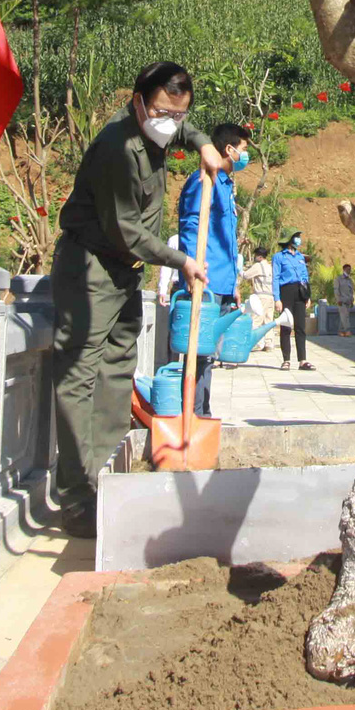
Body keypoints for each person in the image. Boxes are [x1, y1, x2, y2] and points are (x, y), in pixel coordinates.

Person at [51, 61, 227, 537]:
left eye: (178, 114)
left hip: (124, 273)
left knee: (117, 367)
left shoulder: (163, 126)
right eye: (161, 112)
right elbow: (126, 231)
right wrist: (181, 262)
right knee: (79, 375)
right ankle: (76, 497)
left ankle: (103, 469)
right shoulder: (117, 148)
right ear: (137, 103)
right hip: (91, 268)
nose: (169, 122)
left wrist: (203, 142)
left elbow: (184, 126)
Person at [174, 122, 252, 418]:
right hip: (205, 279)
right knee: (197, 351)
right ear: (229, 149)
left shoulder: (225, 186)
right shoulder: (203, 181)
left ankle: (203, 411)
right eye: (243, 149)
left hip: (222, 281)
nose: (245, 156)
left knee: (208, 354)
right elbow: (192, 227)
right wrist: (192, 270)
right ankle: (191, 414)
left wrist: (233, 281)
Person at [272, 232, 313, 370]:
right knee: (286, 326)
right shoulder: (279, 257)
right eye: (296, 236)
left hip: (300, 292)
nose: (298, 239)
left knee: (300, 327)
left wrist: (308, 296)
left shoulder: (301, 257)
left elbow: (305, 277)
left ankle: (303, 360)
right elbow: (276, 278)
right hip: (286, 291)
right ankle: (286, 360)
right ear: (289, 239)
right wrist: (277, 299)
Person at [331, 262, 355, 336]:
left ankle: (341, 331)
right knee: (344, 316)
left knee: (344, 316)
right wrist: (338, 299)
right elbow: (336, 290)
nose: (349, 270)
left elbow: (351, 291)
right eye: (348, 269)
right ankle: (347, 330)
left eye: (350, 269)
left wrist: (352, 300)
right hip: (341, 301)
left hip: (348, 301)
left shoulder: (350, 280)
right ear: (344, 269)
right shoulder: (338, 279)